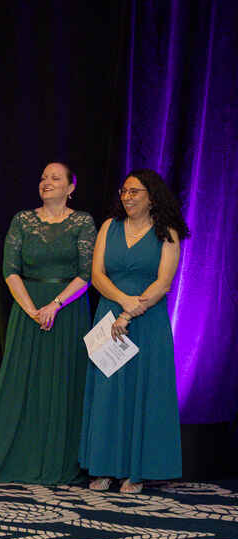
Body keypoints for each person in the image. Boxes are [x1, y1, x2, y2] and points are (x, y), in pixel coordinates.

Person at [0, 162, 96, 485]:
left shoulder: (83, 222)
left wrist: (55, 306)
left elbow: (86, 274)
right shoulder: (22, 220)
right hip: (29, 311)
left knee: (64, 383)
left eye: (55, 178)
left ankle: (60, 460)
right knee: (22, 383)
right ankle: (18, 458)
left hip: (67, 311)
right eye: (43, 178)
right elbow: (10, 270)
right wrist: (33, 310)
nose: (46, 182)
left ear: (71, 187)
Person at [80, 168, 189, 493]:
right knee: (108, 393)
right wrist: (122, 302)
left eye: (134, 192)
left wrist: (129, 312)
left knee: (143, 393)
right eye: (124, 191)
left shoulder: (167, 232)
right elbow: (97, 275)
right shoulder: (109, 227)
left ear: (151, 197)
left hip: (147, 321)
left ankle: (136, 471)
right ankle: (103, 467)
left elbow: (163, 283)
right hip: (109, 316)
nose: (127, 197)